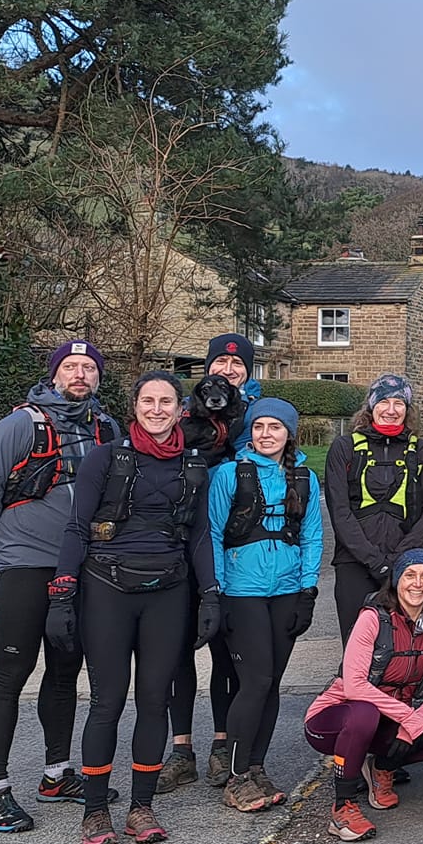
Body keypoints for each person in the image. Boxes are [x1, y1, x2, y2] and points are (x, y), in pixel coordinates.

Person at [51, 371, 220, 844]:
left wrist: (210, 595)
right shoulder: (107, 457)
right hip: (106, 588)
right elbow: (77, 527)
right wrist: (63, 595)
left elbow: (201, 535)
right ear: (135, 407)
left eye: (166, 401)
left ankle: (142, 807)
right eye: (148, 401)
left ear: (180, 409)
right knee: (107, 702)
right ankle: (96, 810)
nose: (157, 409)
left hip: (168, 590)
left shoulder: (194, 465)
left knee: (154, 700)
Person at [0, 339, 121, 831]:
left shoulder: (107, 429)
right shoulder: (20, 425)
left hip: (82, 566)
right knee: (11, 671)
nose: (80, 374)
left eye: (89, 367)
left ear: (98, 377)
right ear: (55, 375)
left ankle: (56, 773)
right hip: (27, 565)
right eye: (71, 367)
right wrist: (13, 543)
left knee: (64, 671)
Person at [209, 399, 323, 814]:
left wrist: (308, 591)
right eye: (260, 427)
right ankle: (237, 776)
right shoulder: (229, 475)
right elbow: (214, 536)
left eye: (276, 427)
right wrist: (215, 593)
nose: (266, 434)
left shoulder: (304, 478)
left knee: (271, 681)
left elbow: (311, 536)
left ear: (289, 433)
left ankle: (256, 766)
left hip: (287, 589)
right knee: (254, 681)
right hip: (242, 590)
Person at [162, 331, 263, 792]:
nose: (229, 370)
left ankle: (223, 745)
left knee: (225, 650)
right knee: (178, 649)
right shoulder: (183, 415)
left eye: (238, 365)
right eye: (221, 364)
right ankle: (181, 748)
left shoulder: (260, 416)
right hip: (182, 543)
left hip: (233, 545)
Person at [304, 549, 423, 842]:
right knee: (364, 712)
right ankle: (343, 807)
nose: (418, 583)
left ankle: (381, 767)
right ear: (396, 580)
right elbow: (354, 686)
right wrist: (409, 718)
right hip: (334, 719)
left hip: (388, 720)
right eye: (409, 575)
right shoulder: (372, 619)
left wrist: (414, 723)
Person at [322, 374, 423, 646]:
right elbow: (339, 510)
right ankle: (357, 690)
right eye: (384, 401)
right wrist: (374, 560)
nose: (391, 410)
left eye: (399, 403)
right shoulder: (345, 447)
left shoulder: (422, 451)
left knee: (402, 646)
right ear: (371, 406)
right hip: (354, 561)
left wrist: (400, 558)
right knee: (356, 646)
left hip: (406, 562)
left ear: (408, 410)